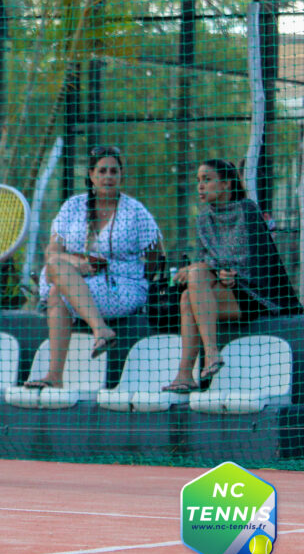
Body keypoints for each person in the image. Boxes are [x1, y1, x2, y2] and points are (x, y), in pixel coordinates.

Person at [23, 145, 161, 389]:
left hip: (123, 288)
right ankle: (55, 375)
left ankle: (98, 332)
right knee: (56, 281)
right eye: (102, 171)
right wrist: (79, 264)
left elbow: (156, 256)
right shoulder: (73, 206)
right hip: (78, 283)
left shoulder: (135, 211)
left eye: (114, 171)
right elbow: (51, 253)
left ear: (121, 175)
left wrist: (125, 272)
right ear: (91, 174)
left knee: (59, 287)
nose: (108, 176)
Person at [163, 158, 301, 392]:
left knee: (194, 281)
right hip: (222, 287)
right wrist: (213, 271)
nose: (200, 186)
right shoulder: (203, 219)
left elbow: (253, 258)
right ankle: (188, 373)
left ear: (226, 184)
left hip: (254, 293)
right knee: (188, 294)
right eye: (198, 181)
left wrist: (225, 272)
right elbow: (204, 258)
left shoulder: (246, 209)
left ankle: (206, 357)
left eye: (207, 179)